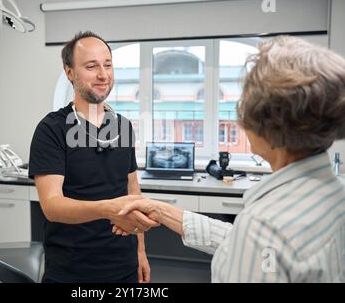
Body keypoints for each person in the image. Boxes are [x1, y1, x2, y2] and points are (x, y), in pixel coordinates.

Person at [115, 36, 345, 282]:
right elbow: (237, 239)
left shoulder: (262, 227)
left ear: (266, 123)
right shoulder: (333, 195)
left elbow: (252, 240)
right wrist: (160, 210)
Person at [28, 31, 158, 283]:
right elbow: (52, 206)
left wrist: (141, 251)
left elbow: (133, 191)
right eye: (91, 66)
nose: (103, 75)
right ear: (69, 73)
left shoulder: (122, 126)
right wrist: (109, 209)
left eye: (107, 65)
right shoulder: (52, 129)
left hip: (124, 266)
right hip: (72, 271)